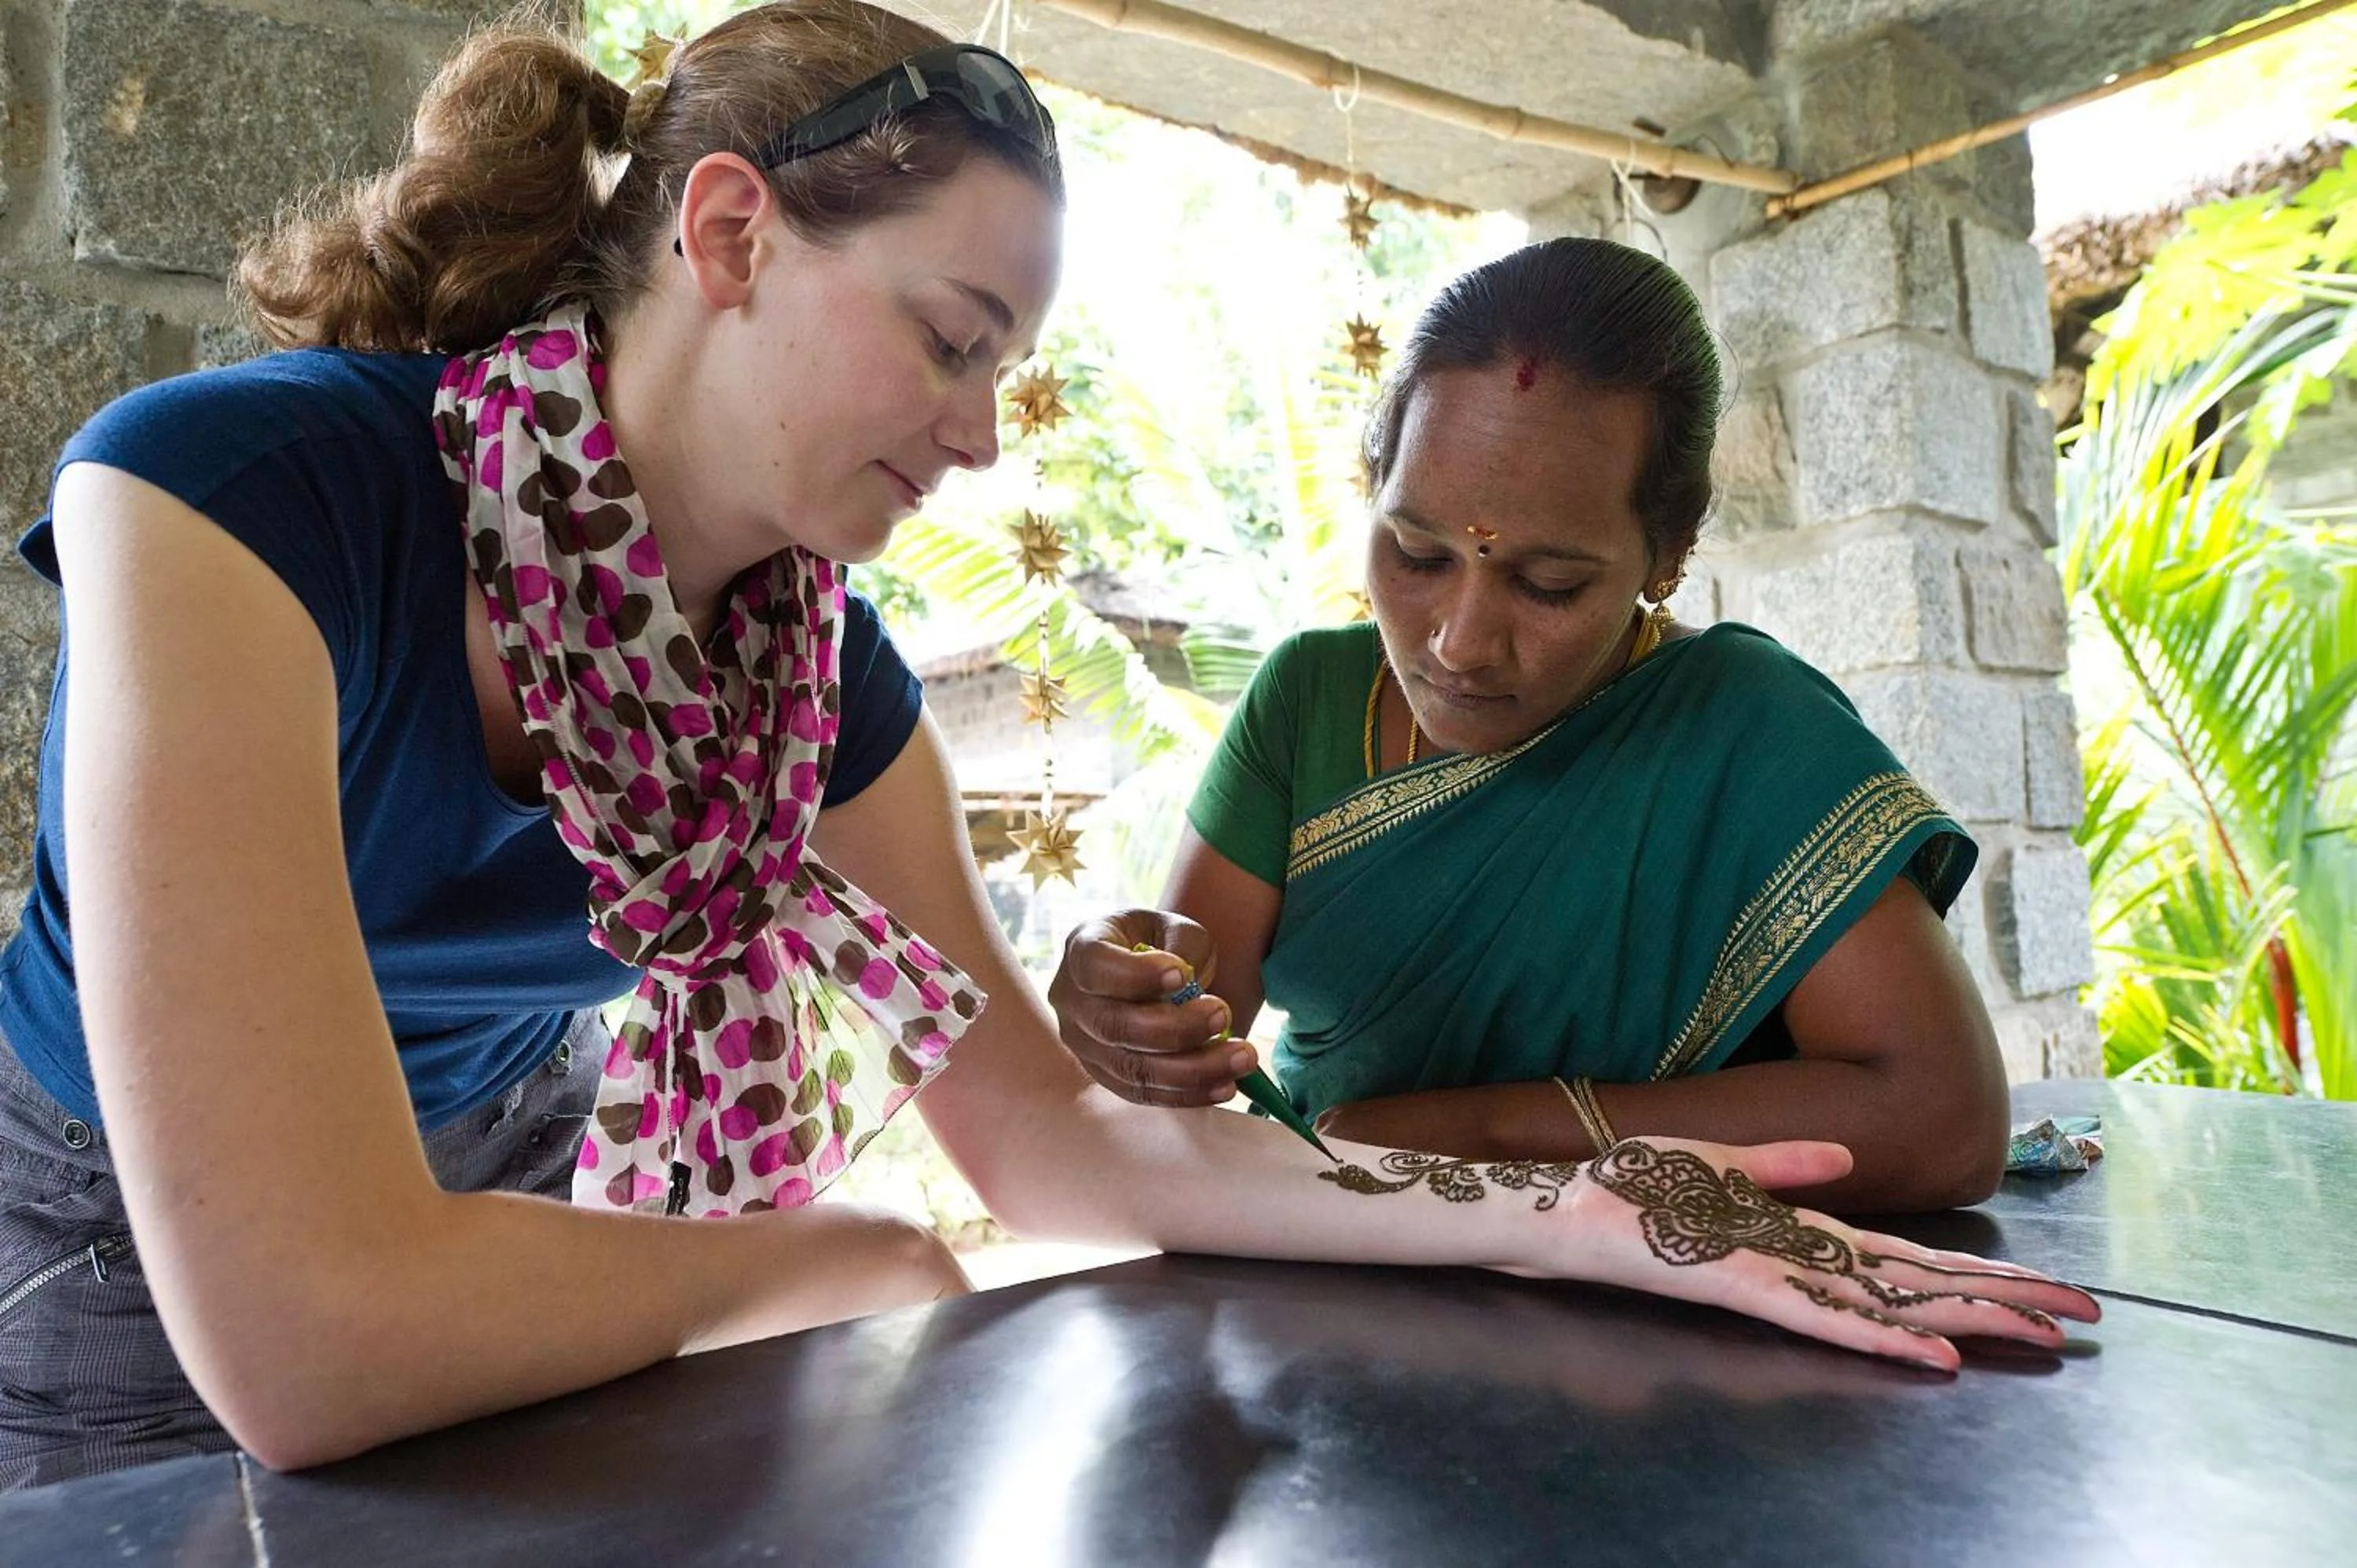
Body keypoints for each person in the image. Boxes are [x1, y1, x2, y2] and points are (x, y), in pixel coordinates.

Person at [0, 2, 2091, 1490]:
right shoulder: (231, 498)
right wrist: (851, 1252)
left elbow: (1076, 1144)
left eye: (1011, 366)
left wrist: (1581, 1212)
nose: (985, 432)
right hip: (111, 1226)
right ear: (731, 235)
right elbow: (304, 1328)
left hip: (509, 1199)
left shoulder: (816, 678)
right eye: (951, 336)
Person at [1050, 239, 2010, 1215]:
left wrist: (1490, 1130)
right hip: (1337, 1273)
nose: (1461, 645)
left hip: (1682, 1332)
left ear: (1668, 552)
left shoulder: (1746, 731)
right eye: (1418, 553)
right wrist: (1121, 1004)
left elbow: (1944, 1123)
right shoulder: (1306, 703)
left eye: (1549, 584)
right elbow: (1173, 1070)